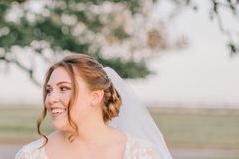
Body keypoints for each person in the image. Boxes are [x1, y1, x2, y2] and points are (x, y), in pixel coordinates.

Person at [15, 54, 172, 159]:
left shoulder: (141, 154)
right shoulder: (31, 155)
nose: (50, 99)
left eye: (64, 88)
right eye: (49, 90)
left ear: (95, 96)